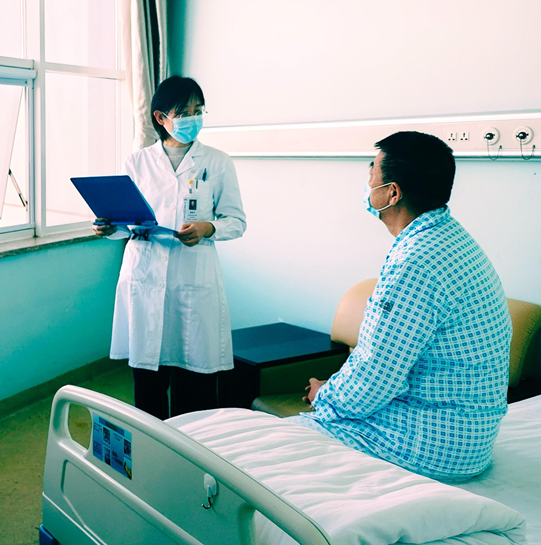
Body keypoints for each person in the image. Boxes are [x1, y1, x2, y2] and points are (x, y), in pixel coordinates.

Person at [299, 131, 512, 482]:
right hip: (469, 438)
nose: (368, 183)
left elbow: (374, 377)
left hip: (433, 445)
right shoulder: (452, 238)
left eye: (372, 173)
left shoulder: (416, 262)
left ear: (392, 193)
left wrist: (326, 394)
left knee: (278, 445)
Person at [95, 76, 246, 420]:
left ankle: (191, 449)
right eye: (184, 112)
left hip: (193, 278)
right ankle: (152, 449)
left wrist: (208, 228)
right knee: (148, 384)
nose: (193, 118)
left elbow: (236, 221)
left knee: (195, 385)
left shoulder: (218, 162)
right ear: (161, 118)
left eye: (198, 110)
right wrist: (110, 227)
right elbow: (126, 224)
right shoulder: (137, 162)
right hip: (145, 274)